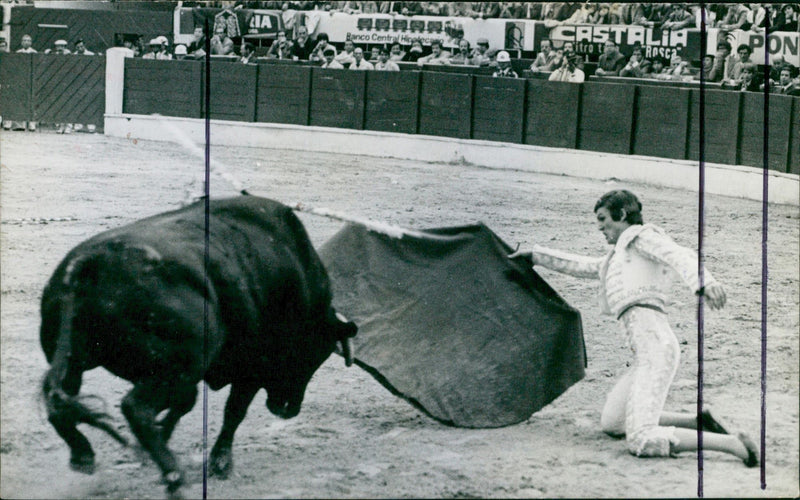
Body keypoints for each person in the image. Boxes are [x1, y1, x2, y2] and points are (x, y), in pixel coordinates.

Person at [508, 190, 759, 467]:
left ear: (623, 215)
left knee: (641, 439)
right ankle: (698, 421)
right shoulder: (620, 254)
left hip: (656, 349)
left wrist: (704, 281)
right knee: (613, 422)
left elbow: (679, 254)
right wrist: (537, 255)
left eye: (603, 219)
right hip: (647, 352)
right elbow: (585, 265)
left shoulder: (641, 238)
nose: (599, 226)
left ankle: (732, 444)